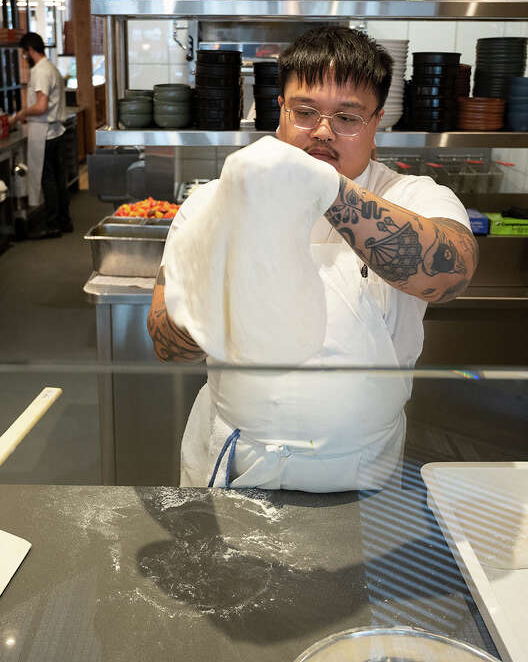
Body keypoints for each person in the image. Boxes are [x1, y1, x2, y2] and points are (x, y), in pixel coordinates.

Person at [148, 26, 478, 491]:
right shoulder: (212, 203)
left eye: (347, 118)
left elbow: (450, 275)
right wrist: (206, 297)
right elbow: (167, 347)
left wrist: (325, 187)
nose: (323, 132)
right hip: (235, 461)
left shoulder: (413, 196)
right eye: (305, 112)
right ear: (279, 109)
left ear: (376, 122)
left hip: (363, 467)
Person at [14, 32, 72, 238]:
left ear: (30, 50)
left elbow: (40, 106)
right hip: (56, 131)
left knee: (48, 180)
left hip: (45, 133)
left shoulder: (40, 71)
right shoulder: (52, 67)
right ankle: (65, 221)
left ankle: (53, 224)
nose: (24, 58)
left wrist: (22, 113)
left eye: (23, 54)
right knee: (58, 179)